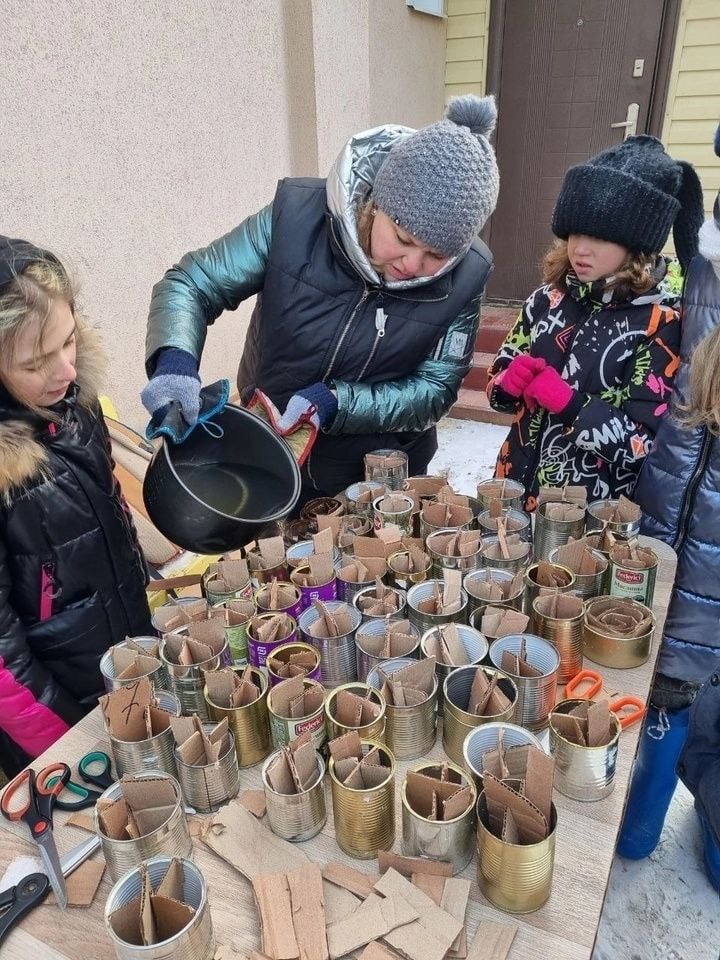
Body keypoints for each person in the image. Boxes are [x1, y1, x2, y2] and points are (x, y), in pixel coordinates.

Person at [141, 96, 499, 503]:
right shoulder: (296, 218)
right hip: (268, 452)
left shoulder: (466, 276)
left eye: (436, 255)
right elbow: (192, 283)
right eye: (403, 239)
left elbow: (434, 390)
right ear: (376, 204)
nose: (413, 263)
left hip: (378, 478)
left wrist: (337, 402)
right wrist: (175, 361)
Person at [0, 237, 153, 778]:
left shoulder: (73, 409)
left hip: (127, 660)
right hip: (58, 711)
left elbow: (112, 524)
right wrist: (64, 744)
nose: (65, 370)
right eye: (36, 362)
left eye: (68, 341)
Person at [486, 136, 704, 511]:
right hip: (514, 486)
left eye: (599, 237)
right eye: (575, 232)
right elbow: (499, 386)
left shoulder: (660, 322)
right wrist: (508, 382)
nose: (580, 249)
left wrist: (570, 404)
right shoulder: (546, 299)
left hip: (589, 510)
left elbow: (644, 447)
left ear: (637, 246)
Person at [617, 124, 720, 889]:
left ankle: (667, 809)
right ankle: (632, 814)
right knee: (648, 683)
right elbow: (694, 235)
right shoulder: (710, 281)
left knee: (683, 696)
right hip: (663, 528)